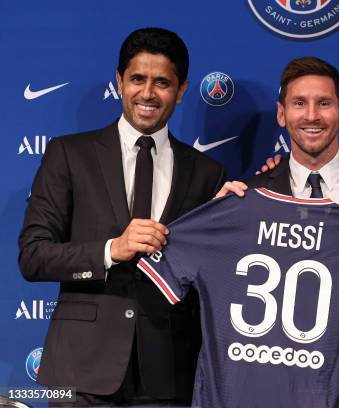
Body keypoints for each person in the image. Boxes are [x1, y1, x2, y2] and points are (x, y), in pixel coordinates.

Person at [18, 27, 225, 406]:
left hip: (169, 374)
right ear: (119, 82)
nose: (148, 93)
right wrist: (112, 249)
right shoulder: (69, 154)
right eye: (137, 79)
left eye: (162, 82)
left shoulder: (208, 173)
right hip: (82, 371)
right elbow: (33, 257)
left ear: (180, 90)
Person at [218, 56, 339, 406]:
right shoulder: (249, 195)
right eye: (299, 103)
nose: (312, 116)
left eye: (324, 103)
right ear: (281, 114)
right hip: (277, 380)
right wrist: (219, 221)